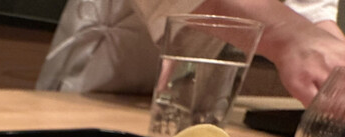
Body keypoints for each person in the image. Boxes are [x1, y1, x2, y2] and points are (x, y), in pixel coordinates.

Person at [37, 0, 345, 106]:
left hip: (208, 62)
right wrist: (291, 37)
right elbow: (302, 35)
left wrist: (334, 57)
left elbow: (313, 11)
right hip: (118, 49)